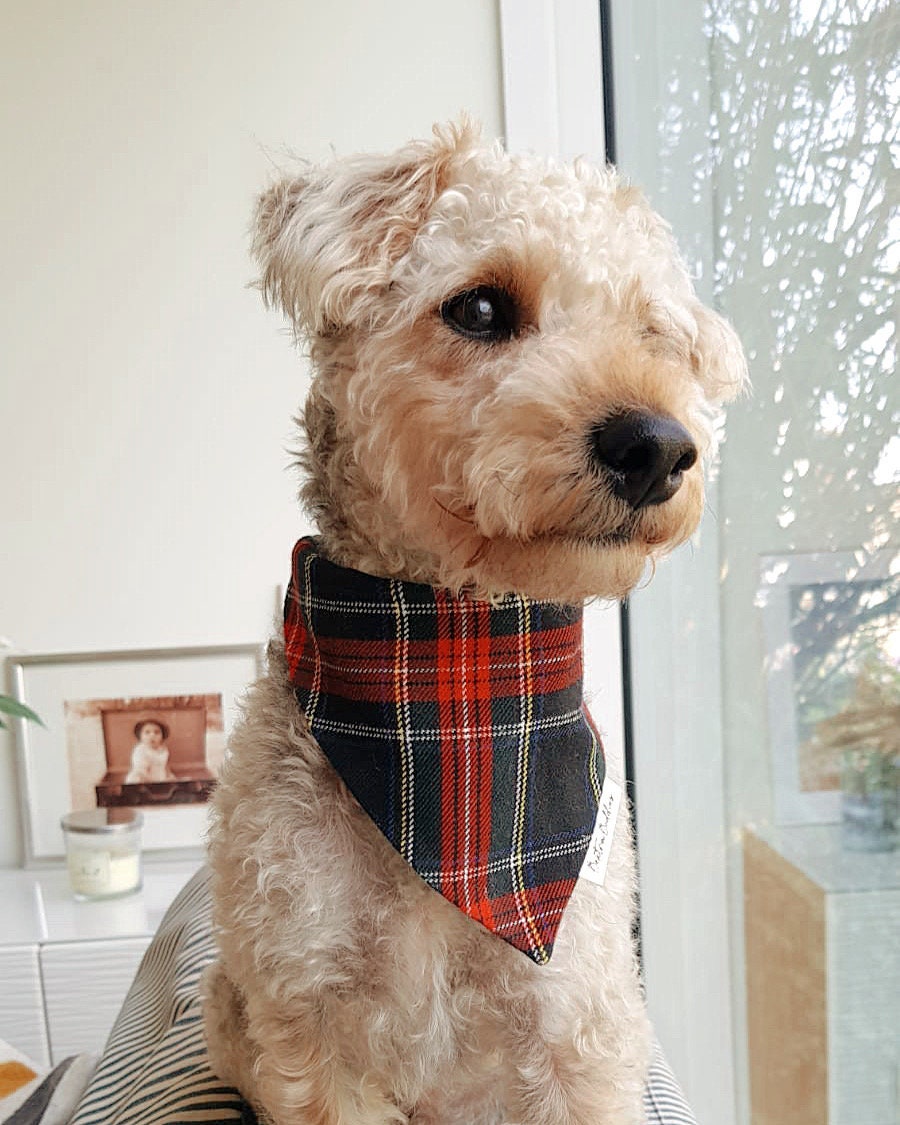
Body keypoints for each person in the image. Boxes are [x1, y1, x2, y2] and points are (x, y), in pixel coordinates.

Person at [125, 718, 177, 783]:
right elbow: (140, 769)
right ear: (140, 736)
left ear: (162, 737)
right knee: (136, 780)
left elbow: (165, 766)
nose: (152, 736)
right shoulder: (140, 750)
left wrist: (169, 776)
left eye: (157, 732)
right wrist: (147, 780)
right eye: (147, 732)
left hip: (159, 776)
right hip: (143, 776)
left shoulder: (163, 749)